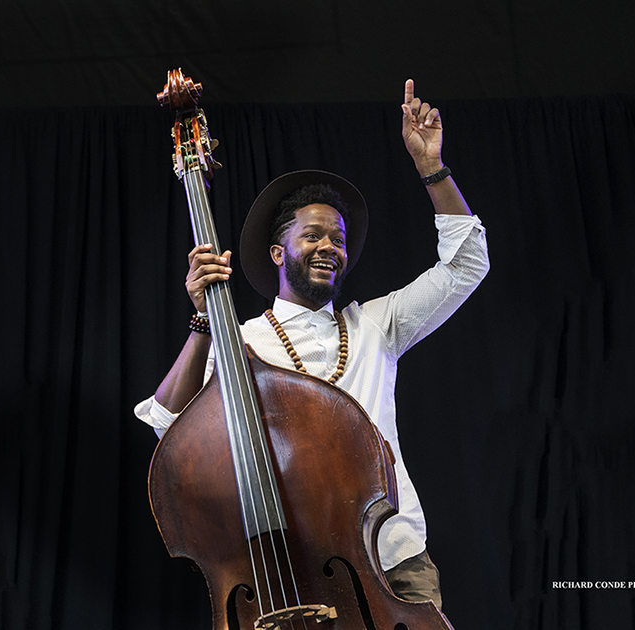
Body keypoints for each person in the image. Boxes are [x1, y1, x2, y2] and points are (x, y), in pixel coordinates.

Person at [134, 79, 490, 609]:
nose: (329, 247)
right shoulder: (242, 344)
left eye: (339, 239)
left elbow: (466, 265)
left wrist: (432, 170)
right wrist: (203, 320)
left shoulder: (376, 324)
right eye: (314, 236)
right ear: (279, 253)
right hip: (289, 569)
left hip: (393, 558)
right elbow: (167, 426)